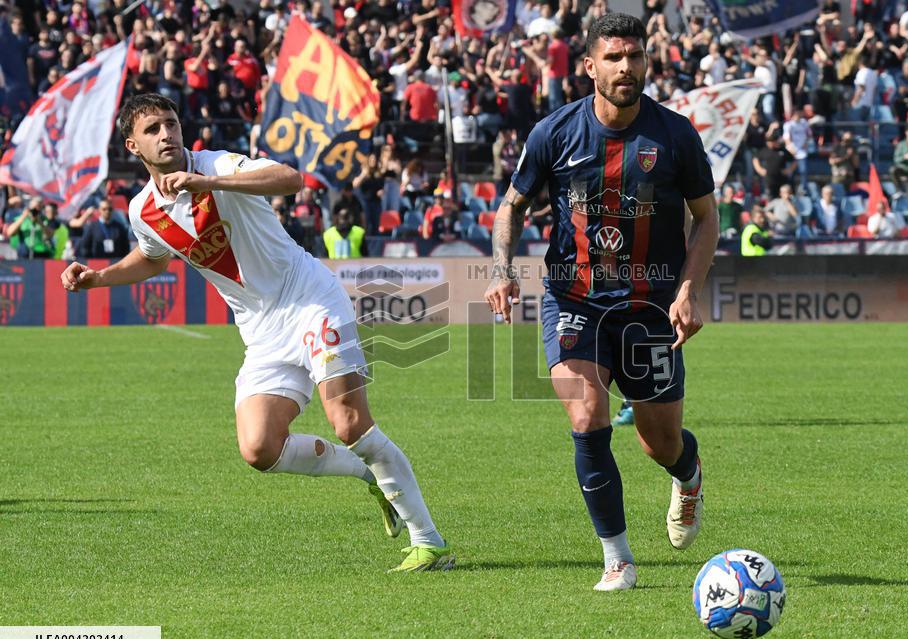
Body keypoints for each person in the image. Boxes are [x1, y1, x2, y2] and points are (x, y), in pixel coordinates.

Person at [60, 94, 453, 572]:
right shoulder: (143, 210)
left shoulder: (218, 163)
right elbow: (154, 257)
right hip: (261, 332)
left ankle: (429, 542)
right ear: (133, 145)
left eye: (171, 123)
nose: (166, 134)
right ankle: (368, 475)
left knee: (349, 422)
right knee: (259, 448)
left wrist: (210, 181)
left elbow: (291, 179)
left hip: (310, 300)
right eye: (153, 130)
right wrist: (98, 278)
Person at [485, 13, 718, 592]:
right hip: (576, 299)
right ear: (589, 66)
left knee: (657, 441)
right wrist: (501, 269)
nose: (625, 67)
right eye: (613, 58)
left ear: (646, 62)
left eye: (634, 57)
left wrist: (688, 288)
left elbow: (707, 218)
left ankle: (686, 474)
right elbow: (511, 206)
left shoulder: (675, 135)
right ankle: (618, 559)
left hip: (650, 307)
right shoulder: (555, 133)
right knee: (587, 419)